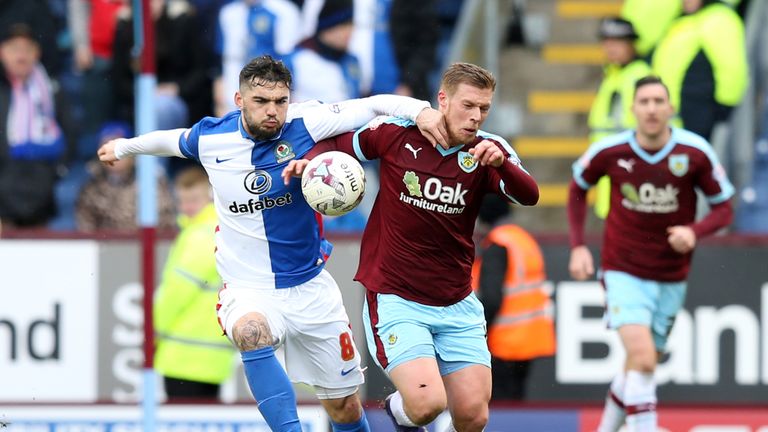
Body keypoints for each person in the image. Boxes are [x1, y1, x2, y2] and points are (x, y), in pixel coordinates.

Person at [97, 55, 447, 432]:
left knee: (343, 407)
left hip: (310, 288)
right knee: (251, 332)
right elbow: (170, 140)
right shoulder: (212, 136)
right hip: (248, 288)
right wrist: (124, 148)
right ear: (239, 100)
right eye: (261, 102)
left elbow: (374, 104)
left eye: (280, 102)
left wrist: (423, 113)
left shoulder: (308, 120)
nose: (272, 112)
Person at [283, 62, 539, 432]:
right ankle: (400, 412)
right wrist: (309, 162)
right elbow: (338, 144)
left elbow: (528, 195)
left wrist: (504, 167)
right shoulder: (396, 133)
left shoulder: (490, 150)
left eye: (484, 108)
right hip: (396, 296)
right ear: (443, 100)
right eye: (468, 105)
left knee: (473, 416)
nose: (476, 116)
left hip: (456, 299)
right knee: (426, 405)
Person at [567, 76, 735, 432]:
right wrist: (579, 245)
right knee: (643, 359)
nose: (652, 109)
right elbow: (578, 187)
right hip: (622, 268)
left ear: (671, 107)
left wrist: (694, 231)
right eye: (644, 102)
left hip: (672, 274)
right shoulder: (610, 151)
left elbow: (724, 209)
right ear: (633, 109)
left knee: (640, 363)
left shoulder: (695, 152)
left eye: (659, 101)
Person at [154, 166, 236, 401]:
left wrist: (153, 332)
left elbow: (175, 294)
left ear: (210, 196)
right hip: (211, 358)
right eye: (182, 200)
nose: (187, 207)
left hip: (185, 356)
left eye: (193, 199)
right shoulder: (217, 230)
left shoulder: (201, 234)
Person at [471, 194, 555, 401]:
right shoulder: (524, 240)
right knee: (516, 402)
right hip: (529, 339)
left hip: (504, 343)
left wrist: (474, 335)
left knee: (499, 405)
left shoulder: (498, 245)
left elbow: (491, 299)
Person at [0, 23, 75, 229]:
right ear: (2, 53)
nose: (21, 56)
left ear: (37, 53)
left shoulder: (52, 89)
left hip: (41, 188)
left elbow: (70, 132)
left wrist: (58, 170)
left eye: (27, 50)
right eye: (15, 49)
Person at [652, 0, 747, 141]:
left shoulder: (719, 18)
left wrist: (724, 107)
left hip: (700, 112)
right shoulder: (685, 19)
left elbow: (731, 67)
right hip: (677, 114)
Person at [589, 17, 652, 218]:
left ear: (632, 44)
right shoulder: (613, 76)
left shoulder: (640, 77)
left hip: (632, 171)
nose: (611, 47)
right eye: (607, 42)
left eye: (618, 41)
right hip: (612, 168)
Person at [76, 122, 176, 232]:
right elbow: (85, 227)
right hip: (105, 246)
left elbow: (166, 222)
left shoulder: (151, 181)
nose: (113, 155)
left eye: (119, 149)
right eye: (106, 148)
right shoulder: (91, 185)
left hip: (143, 245)